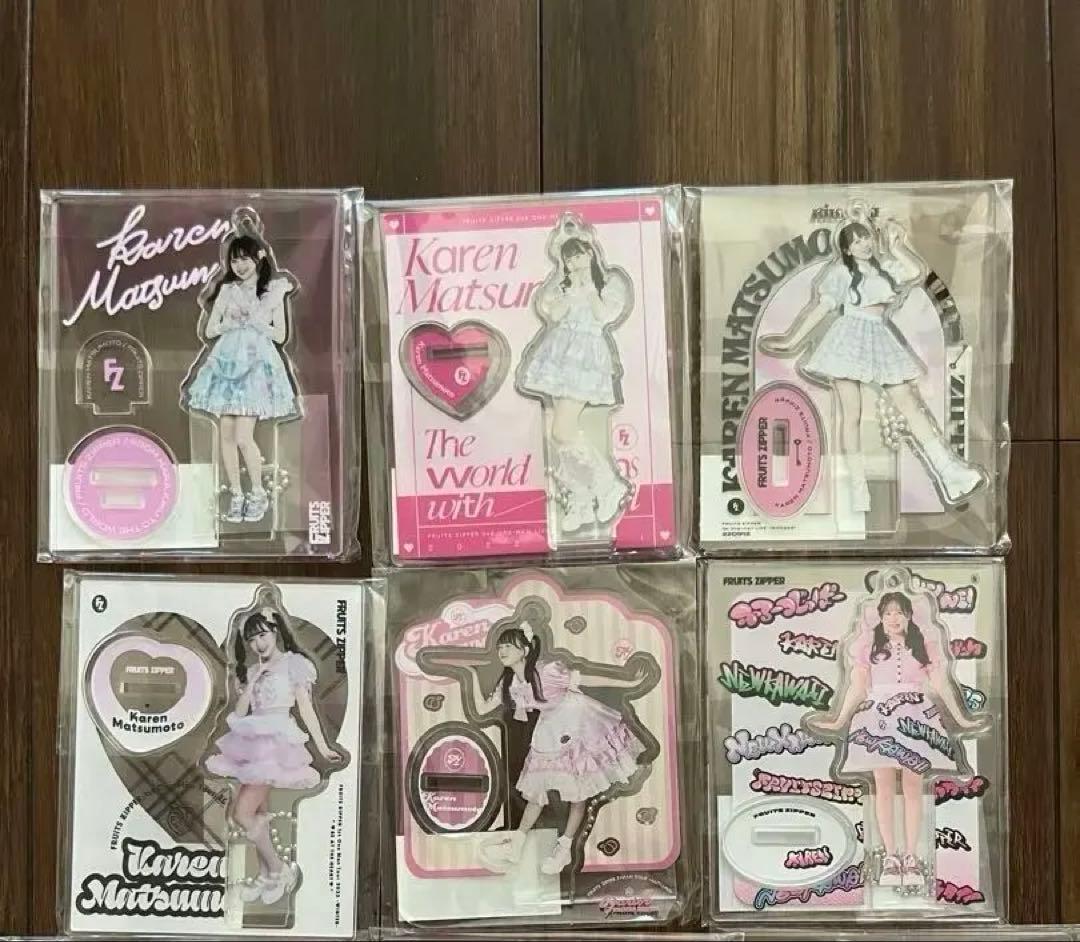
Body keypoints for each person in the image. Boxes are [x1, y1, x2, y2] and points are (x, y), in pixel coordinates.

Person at [758, 209, 985, 512]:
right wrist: (791, 341)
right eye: (856, 241)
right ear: (847, 249)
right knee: (851, 414)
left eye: (866, 238)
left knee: (909, 405)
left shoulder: (886, 268)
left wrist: (897, 246)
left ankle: (950, 473)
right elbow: (821, 308)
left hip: (880, 336)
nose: (864, 244)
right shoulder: (840, 273)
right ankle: (857, 489)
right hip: (848, 338)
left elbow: (915, 271)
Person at [806, 591, 987, 888]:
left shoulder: (922, 645)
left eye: (899, 612)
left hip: (915, 717)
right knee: (883, 787)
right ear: (879, 617)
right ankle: (891, 857)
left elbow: (941, 684)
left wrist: (962, 719)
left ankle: (912, 856)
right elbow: (857, 688)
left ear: (909, 616)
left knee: (914, 786)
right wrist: (839, 720)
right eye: (887, 613)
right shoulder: (869, 647)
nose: (893, 618)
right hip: (878, 718)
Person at [460, 610, 650, 876]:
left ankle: (565, 847)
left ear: (525, 650)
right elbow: (481, 709)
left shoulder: (547, 671)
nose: (502, 651)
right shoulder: (510, 683)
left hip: (580, 721)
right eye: (500, 647)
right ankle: (516, 844)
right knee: (536, 789)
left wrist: (627, 681)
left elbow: (586, 679)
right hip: (550, 728)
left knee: (580, 790)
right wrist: (469, 674)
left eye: (508, 646)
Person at [206, 605, 340, 905]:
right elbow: (240, 713)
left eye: (263, 635)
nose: (258, 644)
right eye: (252, 640)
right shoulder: (253, 671)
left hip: (276, 741)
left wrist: (322, 747)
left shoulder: (294, 664)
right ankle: (268, 875)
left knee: (241, 814)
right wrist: (253, 681)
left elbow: (306, 709)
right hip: (252, 739)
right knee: (256, 815)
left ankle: (279, 870)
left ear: (275, 632)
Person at [517, 220, 632, 533]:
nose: (574, 262)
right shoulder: (563, 286)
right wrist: (568, 288)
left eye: (579, 255)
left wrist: (589, 288)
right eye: (569, 258)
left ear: (591, 254)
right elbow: (553, 314)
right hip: (559, 352)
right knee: (556, 433)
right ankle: (581, 499)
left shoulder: (609, 284)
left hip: (586, 356)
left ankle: (607, 485)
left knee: (562, 430)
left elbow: (604, 315)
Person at [183, 213, 298, 524]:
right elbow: (210, 330)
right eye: (234, 261)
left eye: (245, 259)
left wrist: (256, 321)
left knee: (244, 436)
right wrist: (231, 322)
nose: (240, 266)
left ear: (258, 258)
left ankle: (258, 493)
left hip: (256, 365)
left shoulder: (273, 290)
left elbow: (280, 336)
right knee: (226, 435)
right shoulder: (228, 291)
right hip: (227, 362)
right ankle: (236, 493)